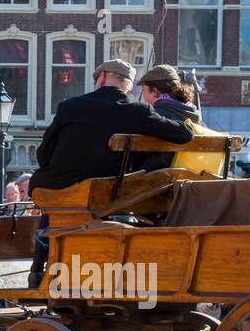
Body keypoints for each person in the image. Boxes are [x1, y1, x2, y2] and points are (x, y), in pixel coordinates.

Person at [28, 58, 193, 286]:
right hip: (109, 192)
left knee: (54, 200)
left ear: (103, 77)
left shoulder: (70, 106)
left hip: (61, 189)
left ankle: (37, 269)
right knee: (78, 196)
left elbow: (43, 154)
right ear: (129, 85)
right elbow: (185, 134)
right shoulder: (138, 111)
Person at [137, 64, 223, 174]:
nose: (142, 94)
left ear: (154, 90)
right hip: (192, 173)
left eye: (143, 90)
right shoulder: (193, 112)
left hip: (159, 176)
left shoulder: (156, 113)